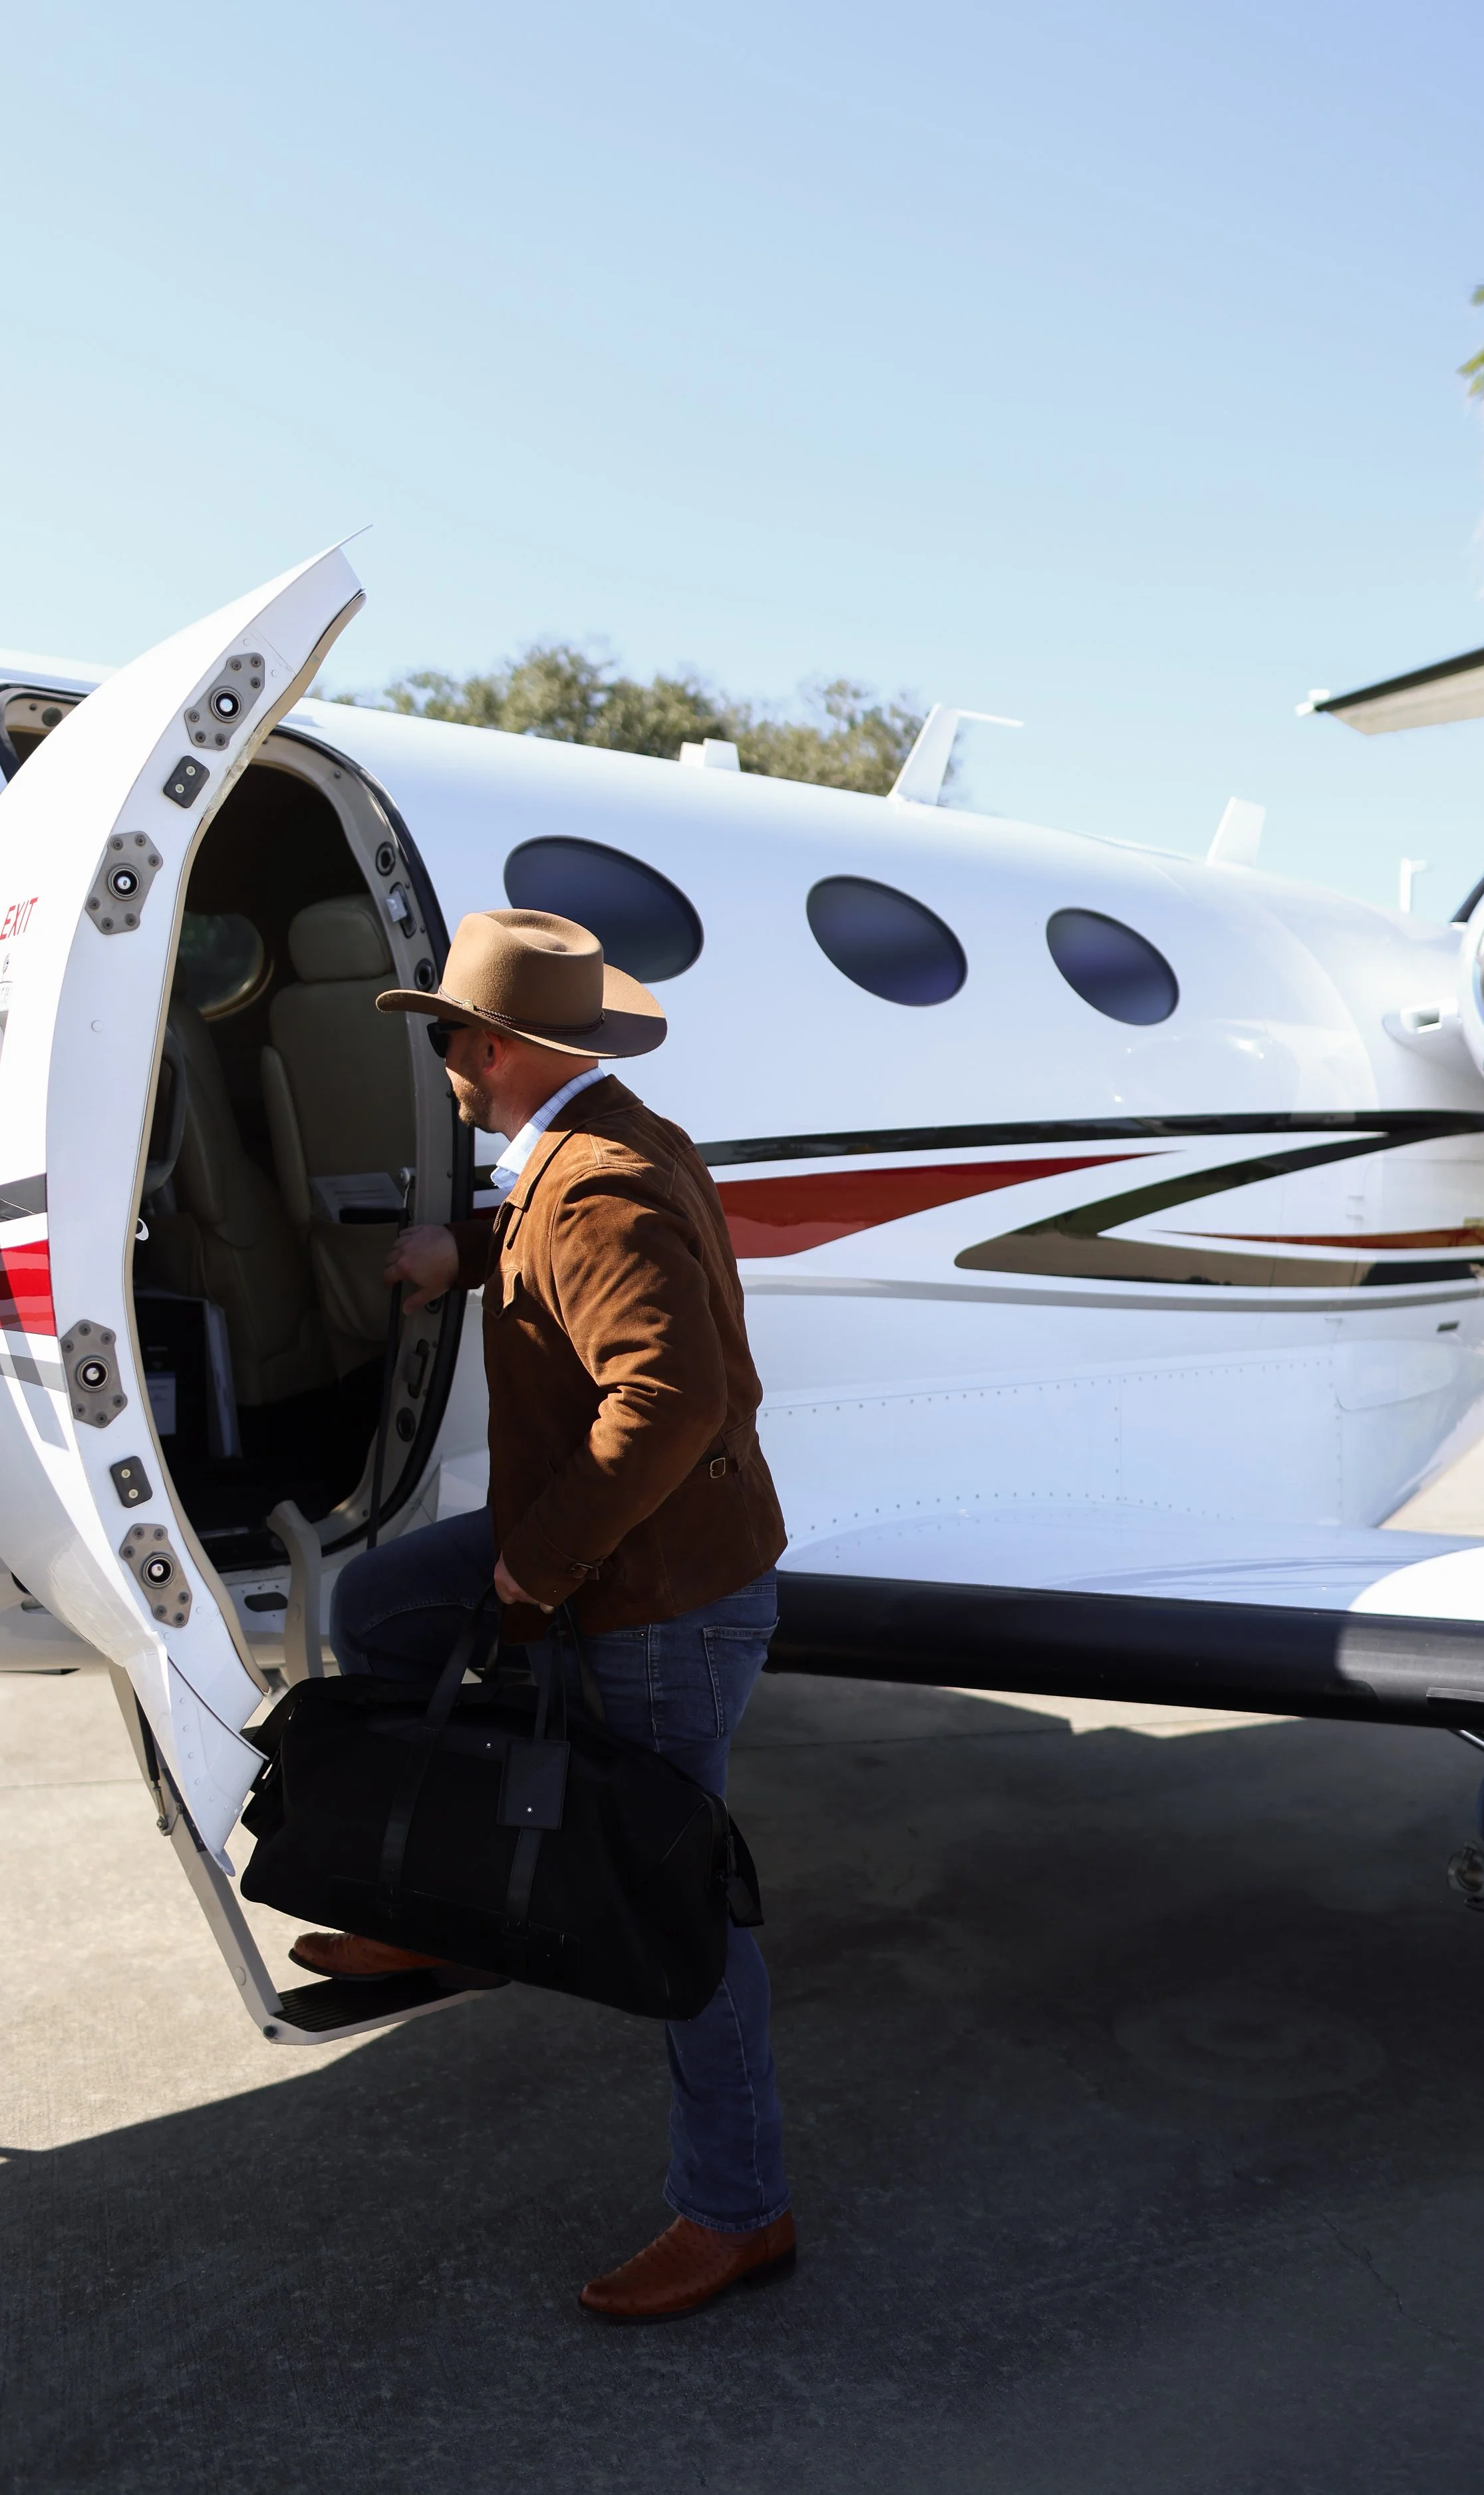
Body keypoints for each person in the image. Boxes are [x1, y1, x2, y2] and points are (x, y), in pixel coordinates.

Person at [287, 906, 792, 2322]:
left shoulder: (598, 1185)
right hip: (620, 1555)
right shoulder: (594, 1143)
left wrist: (540, 1568)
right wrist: (468, 1245)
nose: (440, 1053)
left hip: (658, 1592)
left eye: (446, 1033)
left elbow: (670, 1397)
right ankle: (454, 1906)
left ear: (495, 1049)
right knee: (382, 1605)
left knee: (673, 1903)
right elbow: (568, 1230)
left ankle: (738, 2211)